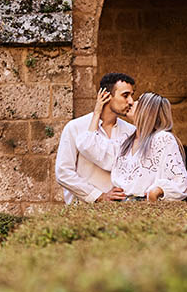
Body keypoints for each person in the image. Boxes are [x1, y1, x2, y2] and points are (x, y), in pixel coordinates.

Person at [77, 91, 187, 201]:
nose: (132, 103)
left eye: (138, 101)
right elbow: (88, 145)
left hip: (145, 206)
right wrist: (97, 113)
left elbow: (181, 182)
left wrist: (156, 192)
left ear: (148, 111)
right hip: (121, 206)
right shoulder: (125, 142)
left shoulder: (162, 138)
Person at [54, 73, 136, 204]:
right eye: (125, 95)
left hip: (122, 209)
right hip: (84, 209)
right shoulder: (75, 127)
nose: (131, 101)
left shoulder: (131, 131)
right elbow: (63, 172)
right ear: (106, 95)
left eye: (132, 95)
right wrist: (98, 196)